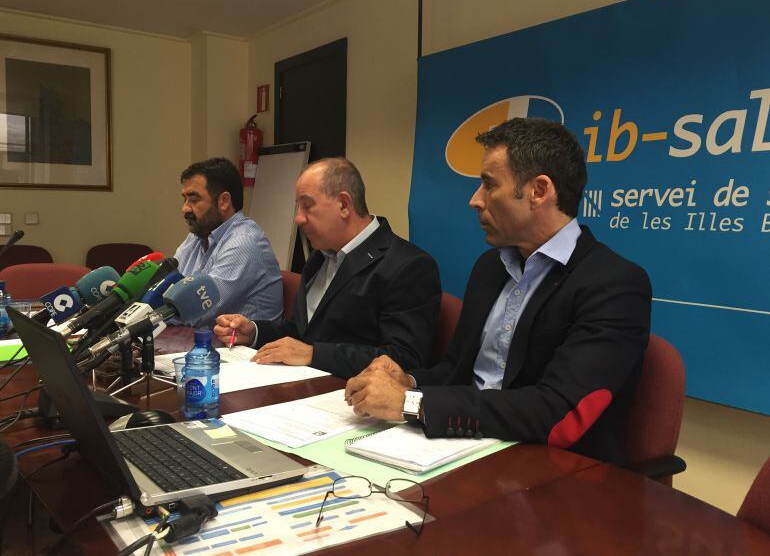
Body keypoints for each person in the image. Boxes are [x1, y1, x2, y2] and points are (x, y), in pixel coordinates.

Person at [344, 118, 652, 465]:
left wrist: (413, 403)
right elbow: (457, 370)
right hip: (461, 447)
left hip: (548, 467)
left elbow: (555, 412)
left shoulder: (613, 284)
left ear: (539, 191)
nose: (475, 200)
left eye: (489, 185)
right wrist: (408, 380)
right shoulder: (491, 267)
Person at [214, 157, 441, 379]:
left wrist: (313, 354)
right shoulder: (321, 256)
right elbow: (302, 331)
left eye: (307, 206)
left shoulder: (408, 266)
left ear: (343, 204)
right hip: (304, 385)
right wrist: (254, 332)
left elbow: (403, 358)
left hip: (353, 395)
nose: (298, 218)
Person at [174, 157, 282, 327]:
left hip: (245, 344)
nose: (185, 208)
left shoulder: (244, 242)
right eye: (184, 199)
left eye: (194, 200)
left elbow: (196, 313)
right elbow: (169, 285)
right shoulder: (197, 237)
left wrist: (148, 314)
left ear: (224, 201)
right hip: (202, 339)